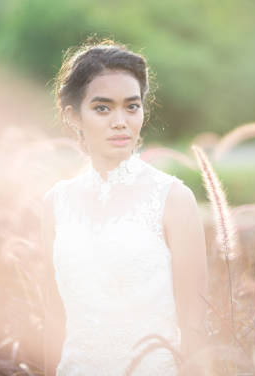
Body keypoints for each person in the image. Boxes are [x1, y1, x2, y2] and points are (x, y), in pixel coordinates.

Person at [41, 38, 209, 375]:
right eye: (103, 108)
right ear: (74, 115)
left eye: (131, 106)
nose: (120, 121)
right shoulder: (56, 204)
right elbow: (52, 319)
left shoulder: (173, 199)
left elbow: (195, 323)